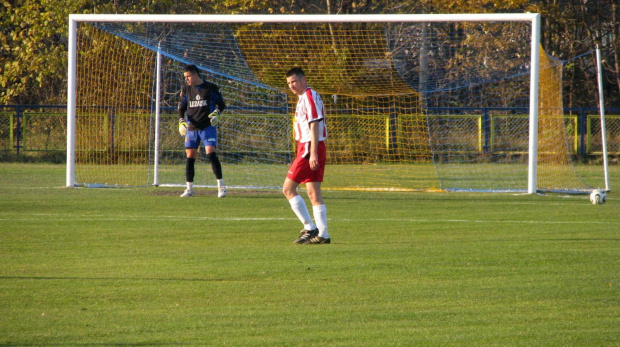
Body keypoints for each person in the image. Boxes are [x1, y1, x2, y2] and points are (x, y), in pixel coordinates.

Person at [283, 67, 330, 244]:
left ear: (303, 80)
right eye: (289, 83)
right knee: (313, 192)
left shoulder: (309, 96)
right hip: (309, 147)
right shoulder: (304, 97)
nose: (291, 86)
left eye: (294, 81)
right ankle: (324, 234)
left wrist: (312, 154)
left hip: (309, 148)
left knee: (288, 189)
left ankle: (309, 227)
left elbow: (314, 124)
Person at [178, 64, 227, 198]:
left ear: (195, 75)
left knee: (210, 153)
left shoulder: (210, 88)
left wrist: (216, 113)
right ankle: (189, 189)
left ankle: (221, 187)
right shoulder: (186, 89)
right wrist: (181, 120)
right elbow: (182, 107)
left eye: (188, 77)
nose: (186, 79)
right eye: (185, 77)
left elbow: (221, 104)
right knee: (190, 155)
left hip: (207, 127)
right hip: (192, 127)